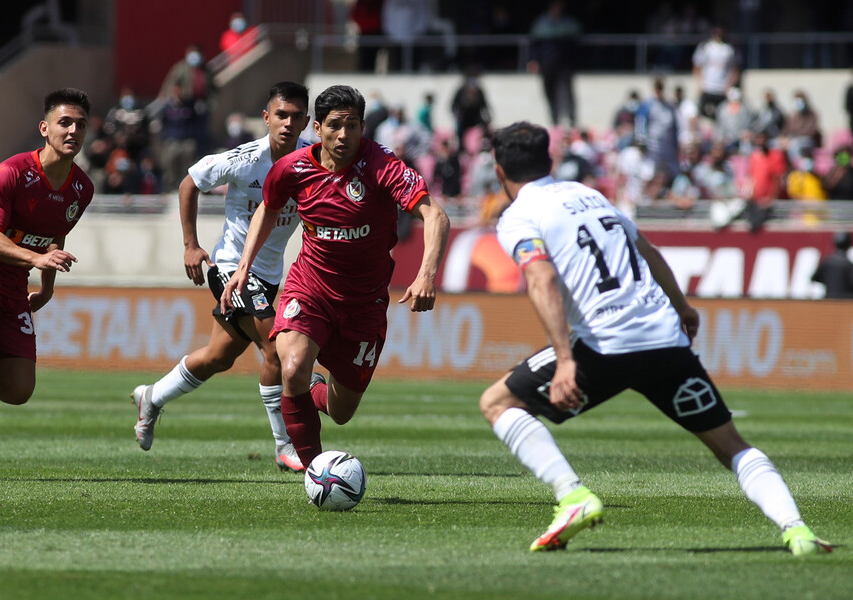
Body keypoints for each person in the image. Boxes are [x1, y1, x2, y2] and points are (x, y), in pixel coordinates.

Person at [479, 120, 833, 556]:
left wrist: (567, 360)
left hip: (606, 346)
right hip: (666, 340)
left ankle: (572, 496)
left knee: (496, 403)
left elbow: (541, 279)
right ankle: (797, 530)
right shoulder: (590, 195)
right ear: (549, 160)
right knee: (731, 446)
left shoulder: (519, 216)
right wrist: (682, 307)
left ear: (499, 172)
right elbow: (647, 249)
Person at [220, 85, 450, 469]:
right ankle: (316, 472)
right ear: (318, 127)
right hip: (310, 287)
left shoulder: (381, 166)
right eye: (335, 126)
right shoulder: (293, 168)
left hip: (364, 302)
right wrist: (244, 265)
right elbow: (268, 208)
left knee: (342, 411)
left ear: (363, 127)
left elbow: (435, 215)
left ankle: (314, 391)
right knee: (290, 365)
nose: (344, 136)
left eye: (353, 126)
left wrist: (427, 274)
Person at [131, 82, 312, 472]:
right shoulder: (245, 159)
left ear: (307, 122)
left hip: (268, 276)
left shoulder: (312, 162)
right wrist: (190, 245)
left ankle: (152, 397)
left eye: (297, 116)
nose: (288, 122)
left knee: (218, 357)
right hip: (230, 267)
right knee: (275, 350)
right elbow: (189, 183)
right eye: (281, 114)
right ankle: (285, 445)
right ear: (266, 118)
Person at [0, 88, 95, 481]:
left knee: (18, 388)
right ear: (45, 128)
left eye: (81, 124)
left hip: (14, 284)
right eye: (65, 123)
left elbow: (55, 237)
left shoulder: (82, 188)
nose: (73, 131)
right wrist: (36, 260)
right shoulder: (11, 172)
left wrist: (47, 287)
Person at [527, 1, 581, 128]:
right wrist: (533, 60)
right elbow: (534, 45)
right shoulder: (542, 23)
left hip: (565, 64)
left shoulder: (568, 23)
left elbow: (575, 43)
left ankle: (571, 119)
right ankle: (554, 120)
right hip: (547, 63)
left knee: (567, 92)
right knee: (549, 91)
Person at [692, 24, 739, 121]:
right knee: (703, 115)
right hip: (707, 87)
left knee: (721, 116)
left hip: (721, 89)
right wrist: (699, 84)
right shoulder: (706, 46)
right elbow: (697, 65)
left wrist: (729, 86)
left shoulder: (728, 49)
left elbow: (735, 69)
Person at [812, 231, 853, 298]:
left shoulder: (827, 262)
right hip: (845, 303)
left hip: (828, 300)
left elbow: (815, 278)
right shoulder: (849, 265)